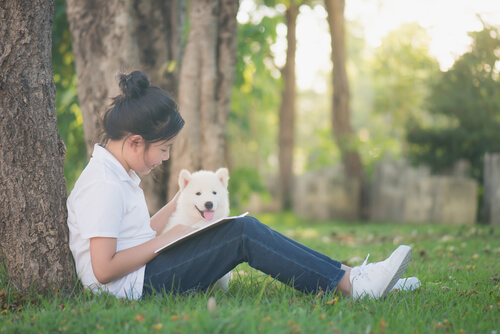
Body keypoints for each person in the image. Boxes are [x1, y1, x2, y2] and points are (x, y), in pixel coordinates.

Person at [67, 70, 419, 300]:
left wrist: (178, 202)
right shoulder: (104, 184)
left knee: (242, 228)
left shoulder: (118, 174)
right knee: (242, 232)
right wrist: (168, 240)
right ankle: (353, 285)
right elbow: (104, 269)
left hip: (144, 275)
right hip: (138, 286)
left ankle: (354, 276)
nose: (164, 159)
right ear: (135, 142)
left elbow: (136, 234)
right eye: (162, 149)